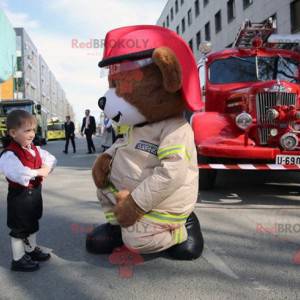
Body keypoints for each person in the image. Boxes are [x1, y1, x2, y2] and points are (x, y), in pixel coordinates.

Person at [0, 110, 56, 272]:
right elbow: (18, 173)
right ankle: (18, 259)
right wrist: (39, 172)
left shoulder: (34, 148)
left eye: (33, 130)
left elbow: (49, 159)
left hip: (34, 194)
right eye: (27, 131)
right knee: (19, 228)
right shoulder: (9, 155)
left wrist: (45, 167)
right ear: (12, 133)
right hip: (20, 197)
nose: (32, 134)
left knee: (32, 223)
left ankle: (30, 250)